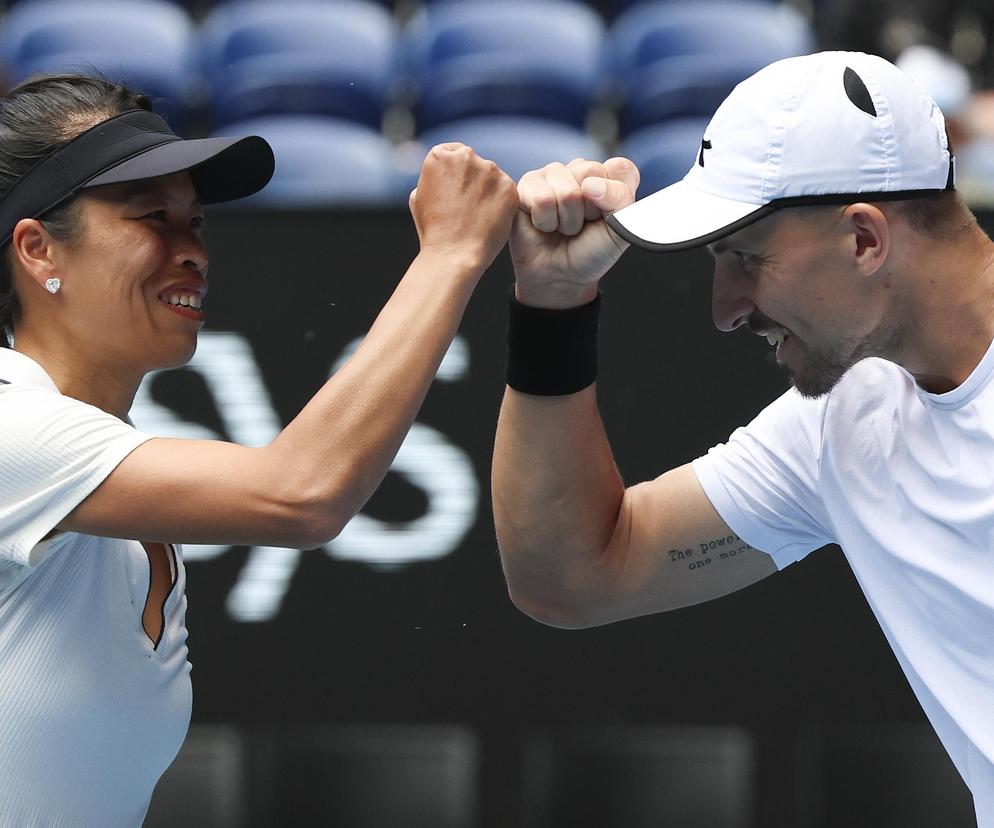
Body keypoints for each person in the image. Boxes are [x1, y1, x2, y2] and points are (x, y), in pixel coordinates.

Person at [0, 74, 517, 824]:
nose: (191, 252)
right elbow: (302, 492)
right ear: (38, 249)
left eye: (196, 223)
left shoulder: (128, 508)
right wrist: (451, 254)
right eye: (153, 218)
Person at [493, 50, 994, 823]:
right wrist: (552, 303)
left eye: (744, 259)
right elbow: (572, 574)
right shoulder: (840, 422)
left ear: (865, 240)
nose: (725, 309)